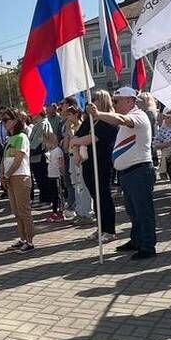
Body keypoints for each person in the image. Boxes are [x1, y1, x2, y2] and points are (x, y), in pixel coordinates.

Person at [89, 87, 156, 260]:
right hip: (129, 172)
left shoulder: (138, 116)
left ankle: (148, 246)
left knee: (143, 211)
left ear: (129, 101)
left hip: (139, 171)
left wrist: (98, 114)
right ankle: (136, 240)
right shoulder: (130, 117)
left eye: (117, 101)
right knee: (133, 211)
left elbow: (120, 119)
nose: (114, 104)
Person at [72, 90, 117, 243]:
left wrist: (76, 143)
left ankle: (109, 230)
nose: (91, 102)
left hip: (102, 161)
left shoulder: (108, 119)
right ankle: (101, 227)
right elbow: (77, 136)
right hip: (88, 162)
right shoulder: (89, 119)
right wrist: (76, 149)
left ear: (102, 100)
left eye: (95, 99)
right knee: (94, 195)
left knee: (103, 195)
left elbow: (92, 138)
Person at [1, 115, 35, 250]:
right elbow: (4, 158)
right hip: (10, 178)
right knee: (16, 211)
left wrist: (7, 174)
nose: (4, 123)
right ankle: (22, 238)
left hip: (20, 176)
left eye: (6, 120)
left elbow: (19, 158)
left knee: (24, 210)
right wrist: (2, 174)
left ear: (15, 122)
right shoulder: (10, 139)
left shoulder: (22, 137)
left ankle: (30, 241)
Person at [44, 132, 65, 222]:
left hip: (57, 175)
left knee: (58, 195)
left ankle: (60, 212)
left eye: (46, 142)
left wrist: (62, 174)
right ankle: (54, 211)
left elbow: (61, 164)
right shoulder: (51, 151)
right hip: (51, 175)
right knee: (53, 194)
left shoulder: (58, 151)